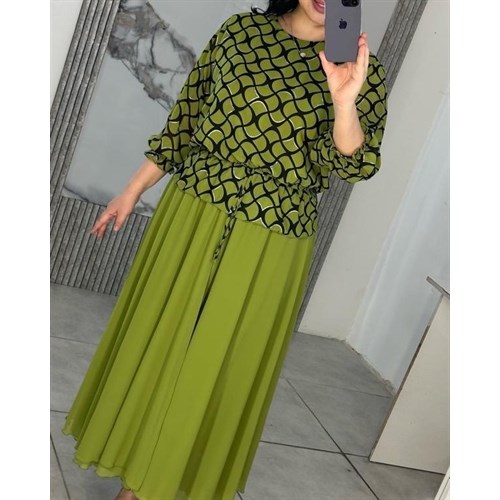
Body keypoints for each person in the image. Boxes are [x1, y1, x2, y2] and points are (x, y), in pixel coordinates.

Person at [61, 0, 387, 499]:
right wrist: (133, 189)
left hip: (273, 235)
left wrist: (345, 103)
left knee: (217, 362)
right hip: (195, 210)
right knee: (159, 340)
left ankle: (151, 486)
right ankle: (131, 466)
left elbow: (355, 166)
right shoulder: (239, 33)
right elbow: (185, 122)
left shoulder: (361, 68)